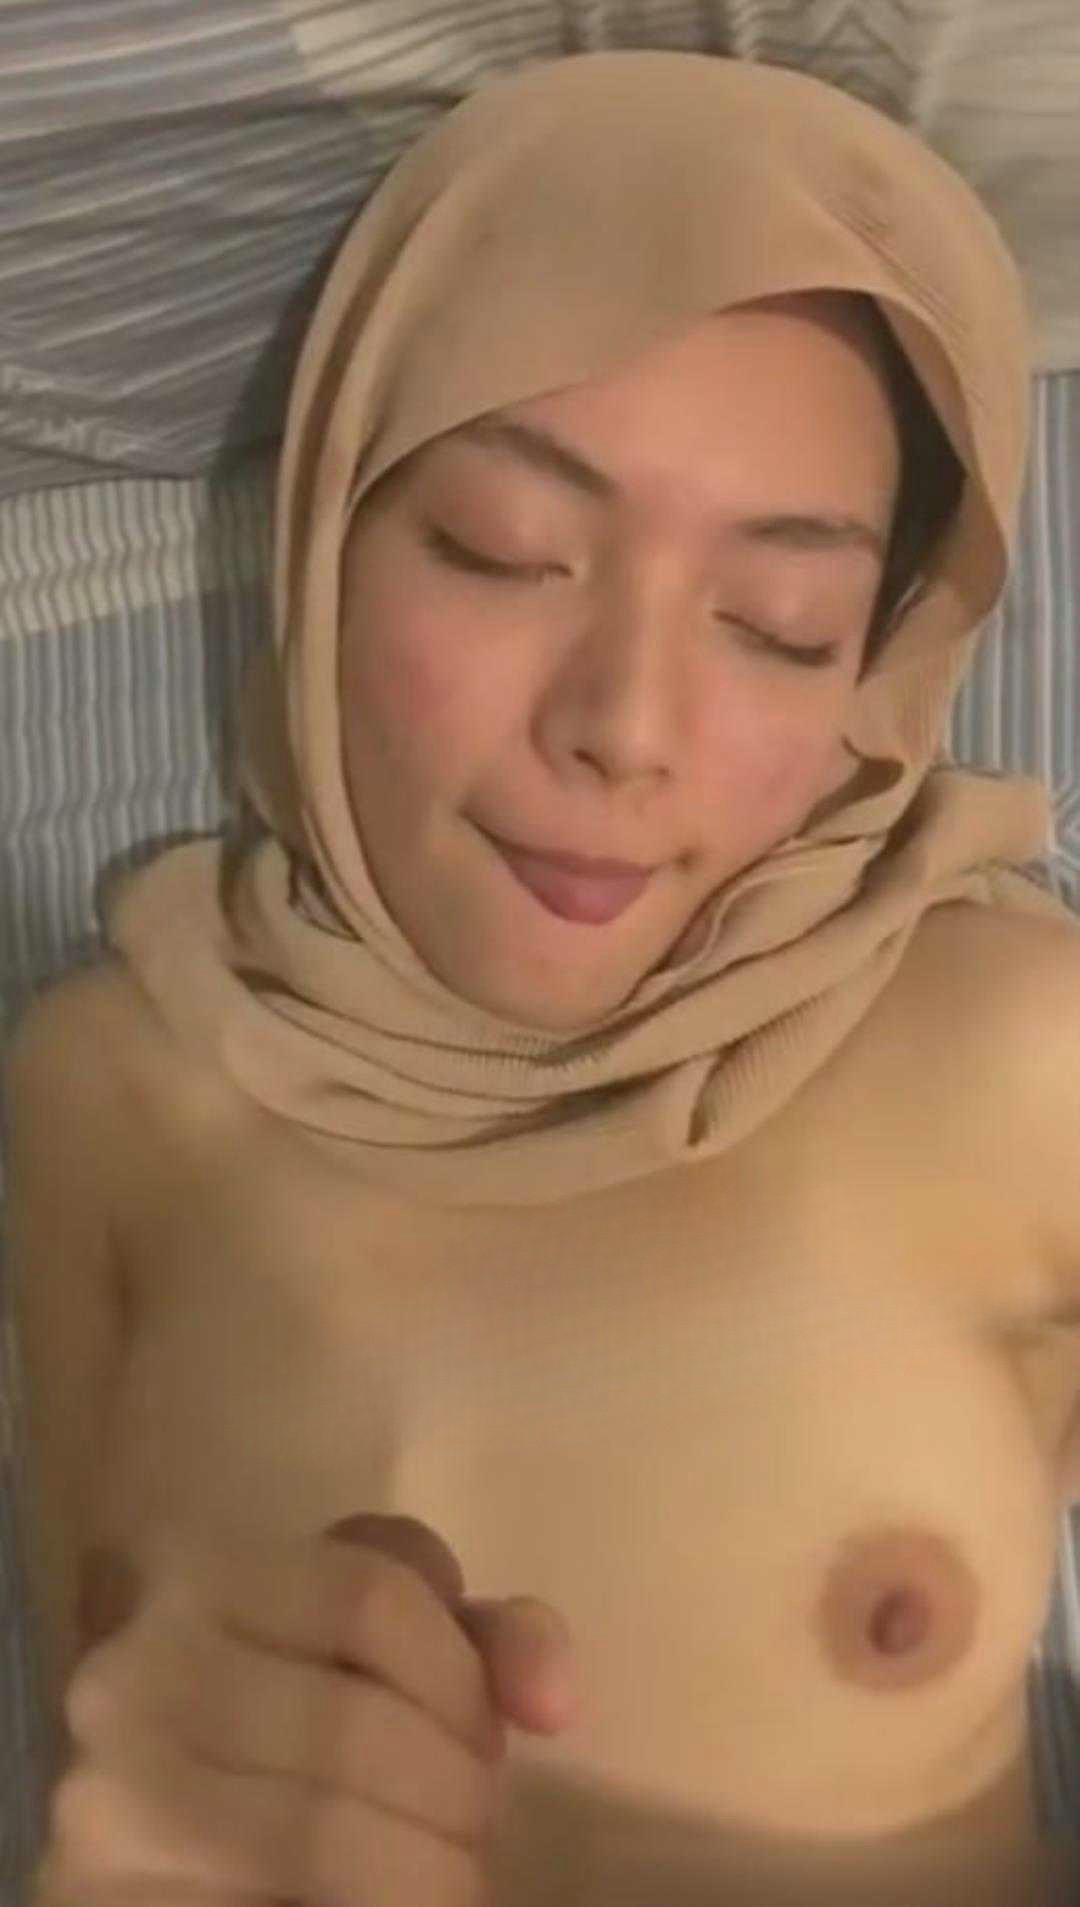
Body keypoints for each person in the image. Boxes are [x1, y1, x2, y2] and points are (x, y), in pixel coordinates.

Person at [6, 47, 1080, 1907]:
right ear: (323, 537)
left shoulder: (1016, 1044)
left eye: (779, 626)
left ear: (879, 670)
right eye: (501, 552)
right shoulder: (102, 1090)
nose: (625, 727)